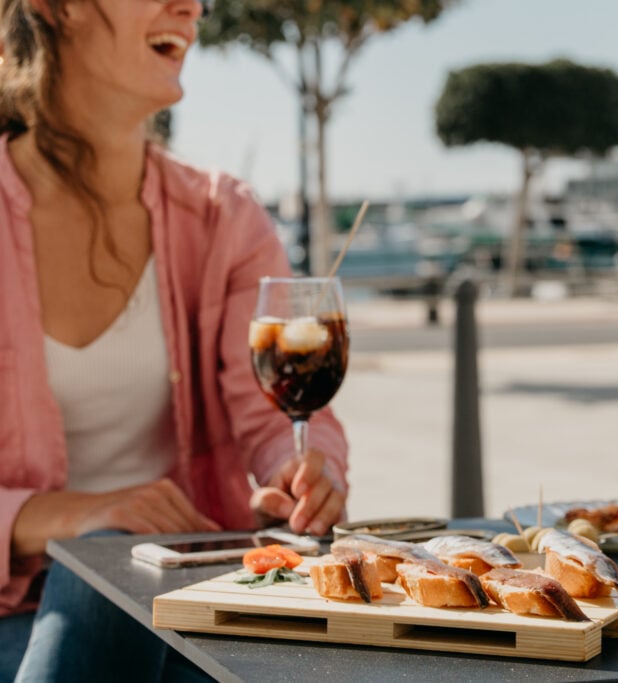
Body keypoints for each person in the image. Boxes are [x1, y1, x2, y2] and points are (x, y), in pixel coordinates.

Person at [0, 0, 350, 678]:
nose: (191, 6)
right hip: (15, 617)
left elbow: (276, 418)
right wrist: (71, 517)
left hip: (192, 604)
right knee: (103, 568)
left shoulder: (225, 218)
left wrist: (308, 470)